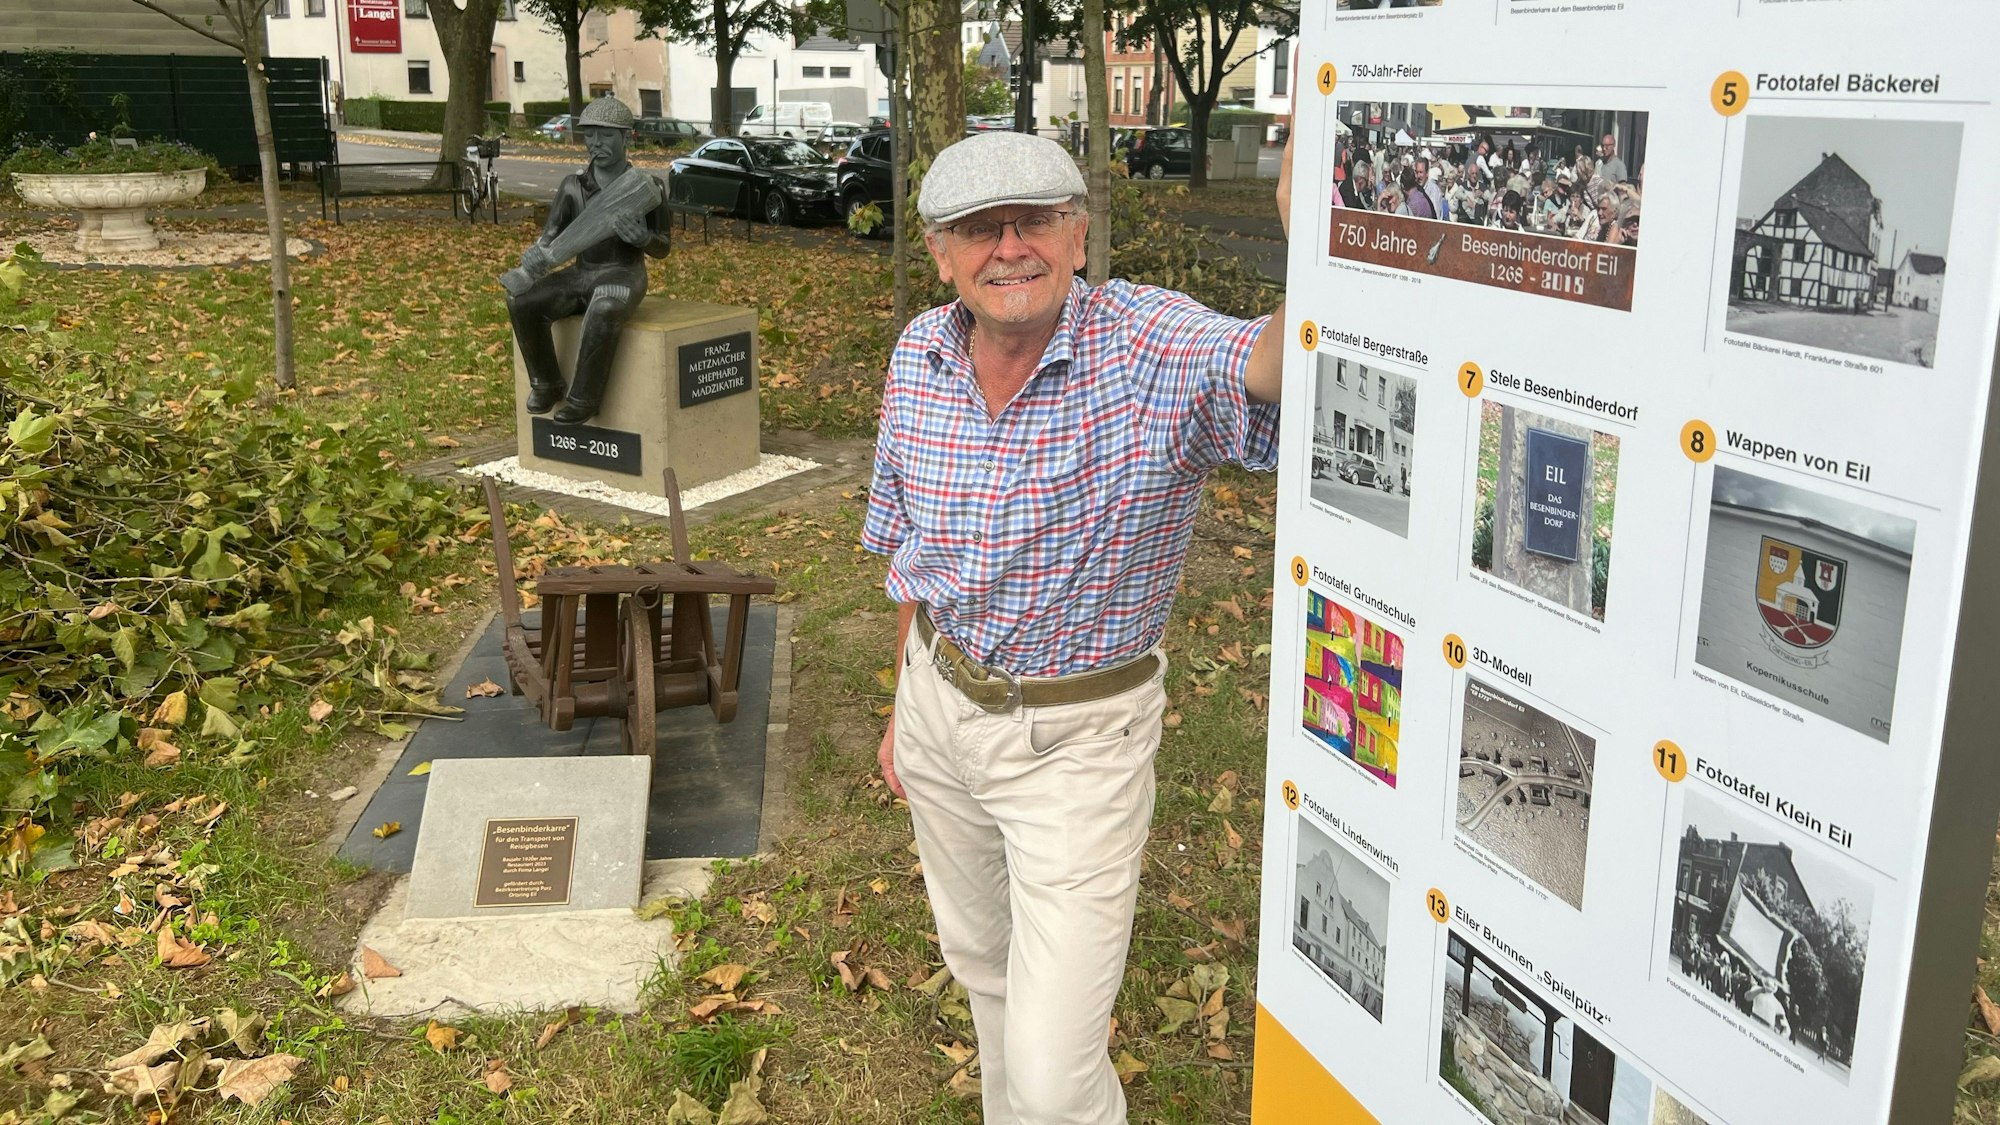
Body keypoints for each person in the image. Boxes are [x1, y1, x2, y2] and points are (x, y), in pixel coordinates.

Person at [863, 130, 1287, 1125]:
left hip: (1076, 744)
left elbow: (1268, 363)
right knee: (983, 971)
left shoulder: (1146, 347)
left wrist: (1303, 220)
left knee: (1055, 1082)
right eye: (978, 228)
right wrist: (901, 710)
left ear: (1079, 234)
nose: (1008, 246)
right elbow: (907, 551)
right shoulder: (918, 356)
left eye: (1035, 220)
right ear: (939, 254)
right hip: (937, 706)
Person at [505, 96, 671, 423]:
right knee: (521, 298)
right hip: (581, 272)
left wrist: (643, 239)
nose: (596, 143)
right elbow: (552, 234)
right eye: (590, 135)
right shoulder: (573, 187)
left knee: (605, 306)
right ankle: (546, 383)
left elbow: (663, 246)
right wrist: (539, 251)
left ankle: (584, 399)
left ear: (626, 138)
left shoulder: (647, 188)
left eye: (606, 135)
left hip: (624, 274)